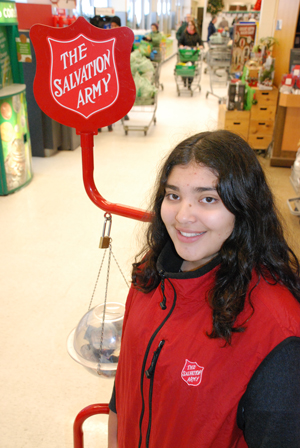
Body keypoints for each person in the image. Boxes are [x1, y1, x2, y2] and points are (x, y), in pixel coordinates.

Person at [108, 130, 300, 448]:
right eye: (173, 196)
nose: (183, 216)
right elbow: (127, 380)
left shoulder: (278, 331)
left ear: (244, 207)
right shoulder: (150, 273)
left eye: (207, 199)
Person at [178, 19, 203, 89]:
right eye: (189, 25)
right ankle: (184, 80)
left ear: (194, 26)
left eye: (192, 25)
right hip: (184, 55)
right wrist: (181, 46)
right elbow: (180, 42)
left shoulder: (196, 34)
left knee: (191, 69)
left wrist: (199, 47)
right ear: (187, 26)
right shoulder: (184, 34)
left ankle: (189, 83)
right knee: (184, 69)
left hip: (192, 55)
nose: (190, 26)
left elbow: (201, 43)